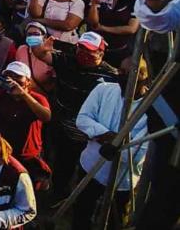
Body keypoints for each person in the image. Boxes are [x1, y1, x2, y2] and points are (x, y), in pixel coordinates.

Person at [32, 31, 118, 196]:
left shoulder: (110, 75)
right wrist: (45, 47)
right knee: (62, 164)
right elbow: (40, 54)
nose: (84, 54)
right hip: (62, 124)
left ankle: (78, 197)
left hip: (89, 132)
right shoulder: (66, 60)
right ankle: (58, 195)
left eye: (89, 51)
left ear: (100, 52)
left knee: (85, 168)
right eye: (81, 49)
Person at [72, 57, 150, 230]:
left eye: (128, 74)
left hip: (122, 181)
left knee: (115, 221)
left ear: (143, 77)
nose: (121, 76)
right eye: (120, 71)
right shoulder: (103, 89)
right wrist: (107, 136)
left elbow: (139, 153)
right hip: (91, 168)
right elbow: (83, 119)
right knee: (81, 214)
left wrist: (112, 146)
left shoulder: (149, 110)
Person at [0, 61, 52, 188]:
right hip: (4, 154)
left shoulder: (37, 98)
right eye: (9, 76)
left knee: (28, 188)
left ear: (28, 82)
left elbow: (46, 116)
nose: (12, 80)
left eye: (17, 77)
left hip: (28, 156)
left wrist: (24, 95)